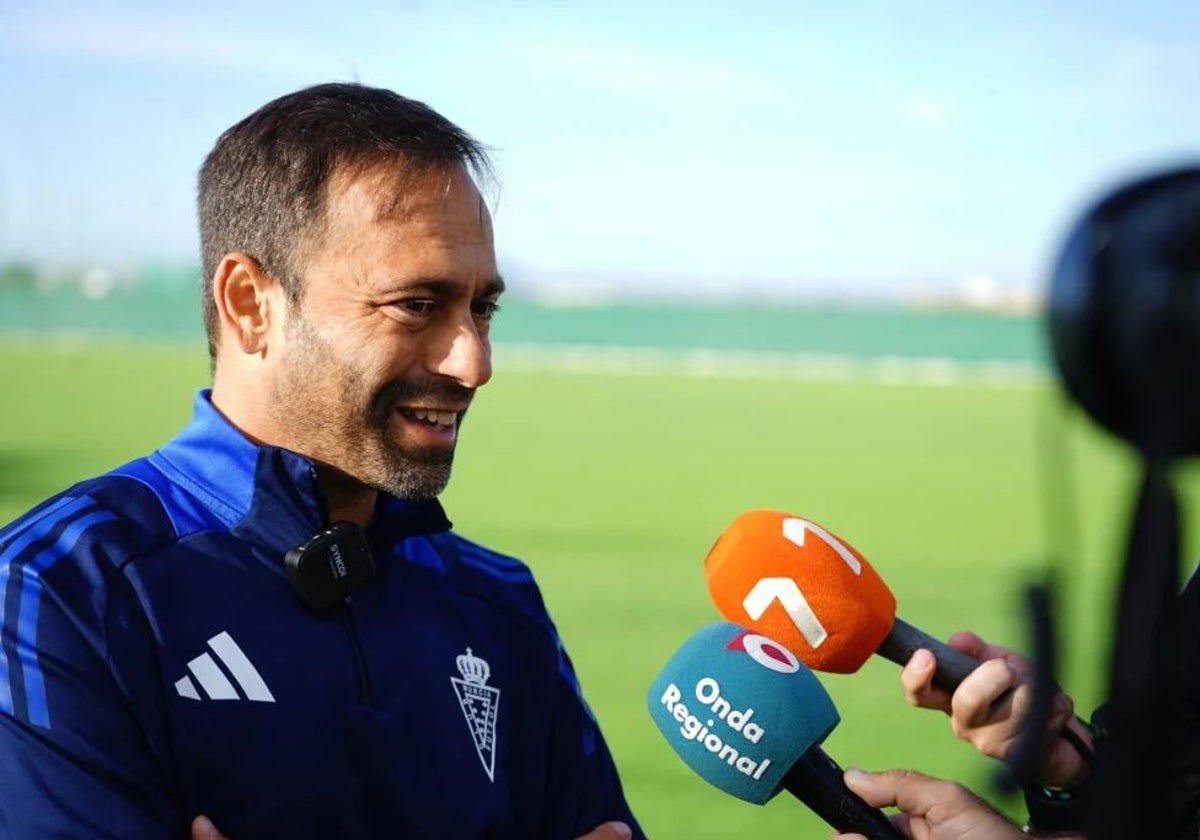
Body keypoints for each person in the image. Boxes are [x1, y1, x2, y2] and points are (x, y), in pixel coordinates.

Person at [0, 82, 642, 839]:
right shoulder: (58, 588)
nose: (474, 361)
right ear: (250, 304)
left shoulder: (497, 602)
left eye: (482, 309)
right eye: (417, 305)